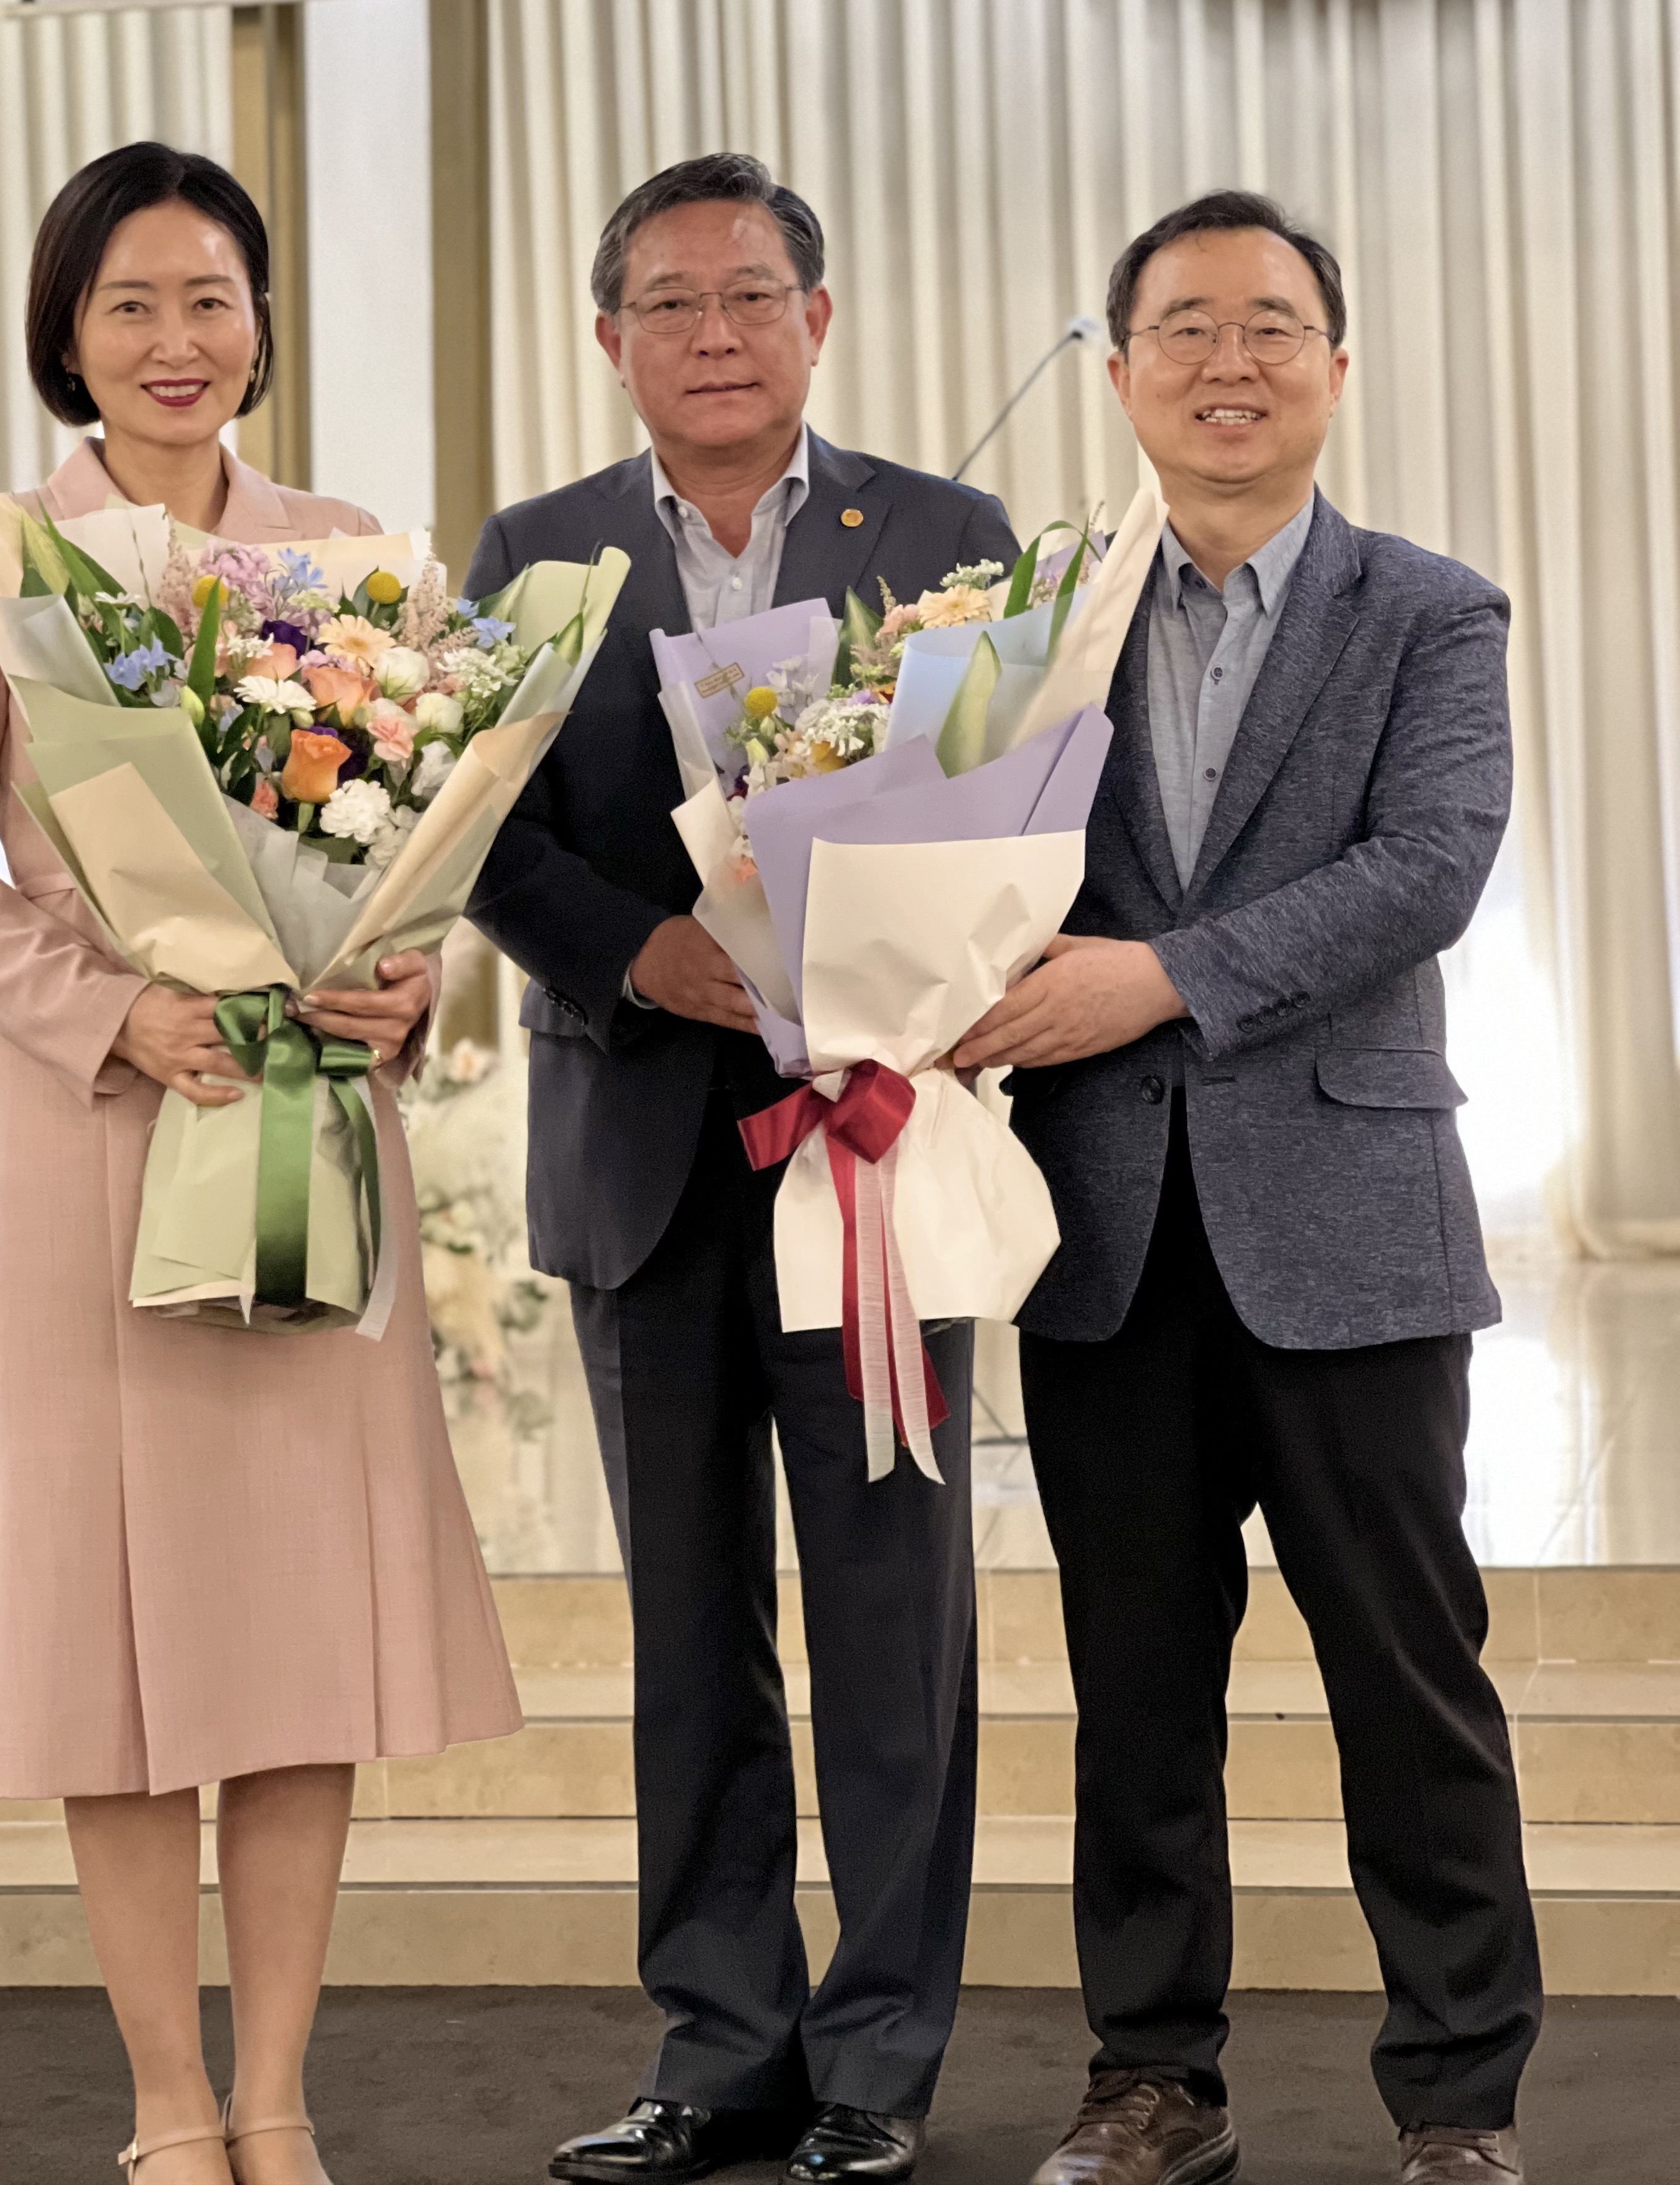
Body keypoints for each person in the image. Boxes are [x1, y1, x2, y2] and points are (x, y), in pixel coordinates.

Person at [0, 142, 520, 2185]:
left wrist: (405, 980)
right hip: (110, 1138)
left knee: (298, 1640)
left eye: (212, 299)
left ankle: (280, 2101)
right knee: (122, 1650)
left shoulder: (356, 560)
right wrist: (105, 1013)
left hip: (310, 1129)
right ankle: (168, 2111)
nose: (178, 340)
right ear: (66, 335)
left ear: (259, 322)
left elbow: (421, 850)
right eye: (132, 303)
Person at [955, 189, 1541, 2185]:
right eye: (1186, 329)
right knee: (1136, 1693)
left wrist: (1162, 976)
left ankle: (1457, 2102)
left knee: (1410, 1684)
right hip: (1106, 1232)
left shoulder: (1431, 611)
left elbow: (1427, 869)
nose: (1230, 362)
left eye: (1271, 326)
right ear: (1121, 374)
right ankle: (1152, 2082)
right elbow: (954, 865)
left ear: (1336, 369)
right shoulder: (1032, 627)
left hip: (1353, 1227)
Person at [465, 152, 1018, 2185]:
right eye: (673, 303)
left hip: (870, 1148)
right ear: (609, 338)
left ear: (821, 318)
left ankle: (877, 2062)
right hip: (642, 1146)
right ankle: (719, 2046)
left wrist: (911, 963)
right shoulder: (537, 555)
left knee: (892, 1623)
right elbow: (478, 827)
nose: (717, 333)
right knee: (688, 1632)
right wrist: (639, 953)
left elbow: (1015, 804)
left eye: (754, 295)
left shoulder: (944, 540)